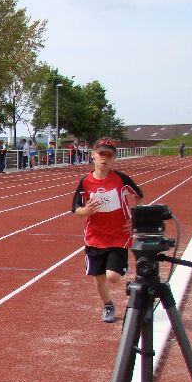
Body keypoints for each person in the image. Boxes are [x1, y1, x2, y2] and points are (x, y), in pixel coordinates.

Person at [71, 137, 144, 323]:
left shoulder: (121, 179)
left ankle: (134, 286)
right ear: (93, 155)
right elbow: (75, 208)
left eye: (109, 155)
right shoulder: (85, 182)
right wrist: (86, 211)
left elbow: (138, 195)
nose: (104, 158)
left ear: (114, 159)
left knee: (113, 276)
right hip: (95, 237)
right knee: (99, 278)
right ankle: (108, 305)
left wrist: (134, 218)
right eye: (101, 154)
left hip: (118, 235)